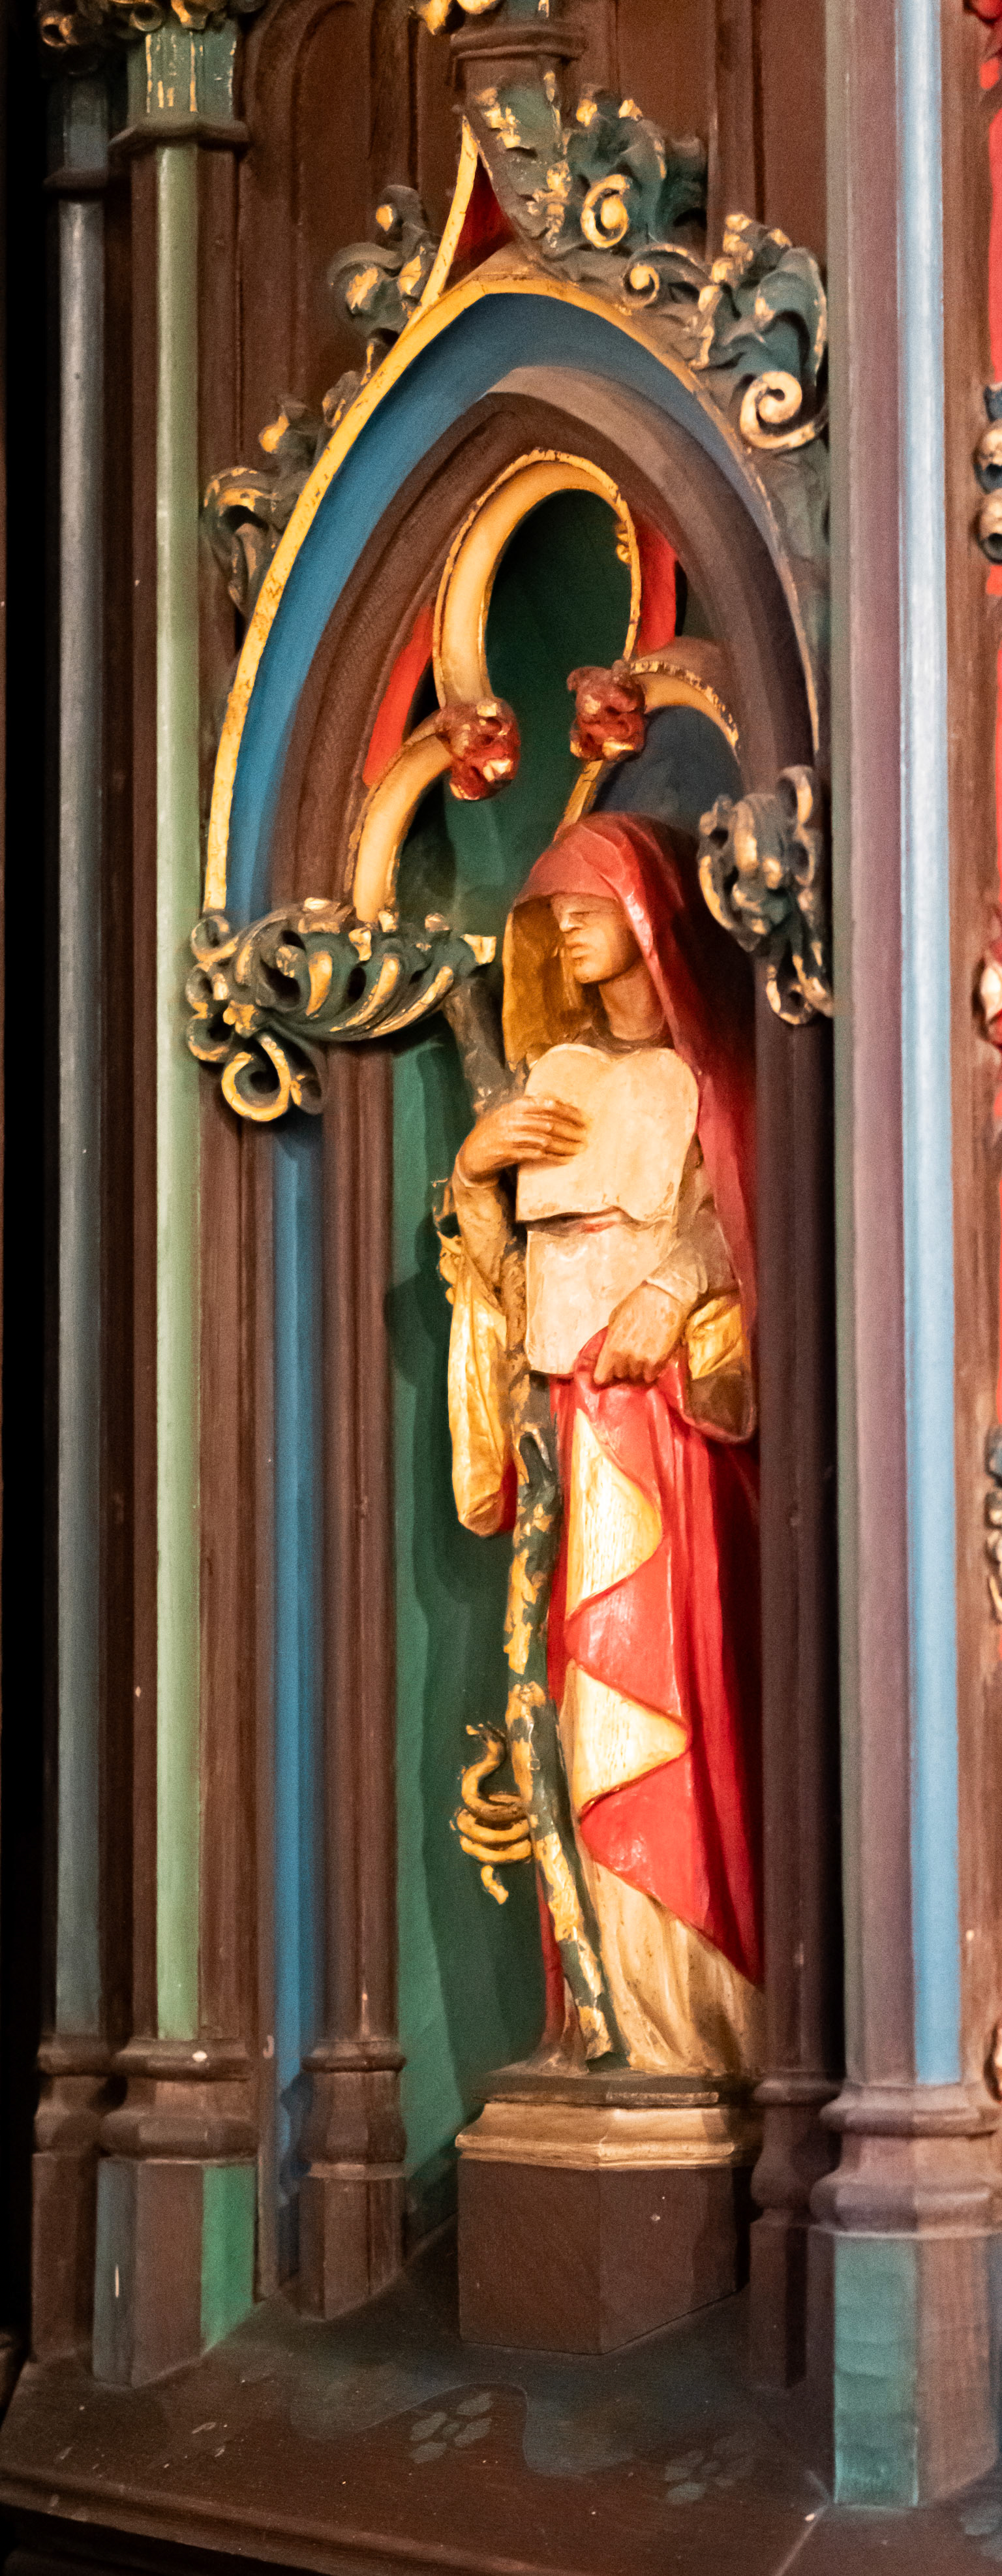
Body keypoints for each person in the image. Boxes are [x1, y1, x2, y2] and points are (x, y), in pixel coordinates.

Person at [442, 809, 764, 2078]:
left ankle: (703, 2024)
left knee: (673, 1693)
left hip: (676, 1442)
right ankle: (607, 2014)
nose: (566, 928)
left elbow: (749, 1225)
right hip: (578, 1435)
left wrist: (677, 1288)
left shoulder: (712, 1079)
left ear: (651, 912)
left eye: (589, 903)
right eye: (552, 913)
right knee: (582, 1704)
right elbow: (507, 1289)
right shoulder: (554, 1084)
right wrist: (473, 1172)